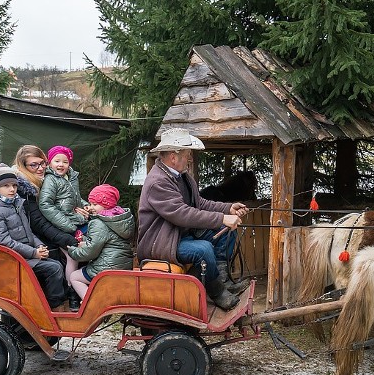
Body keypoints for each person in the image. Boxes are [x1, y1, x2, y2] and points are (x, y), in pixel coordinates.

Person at [137, 128, 249, 310]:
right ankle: (218, 293)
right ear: (174, 157)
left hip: (179, 237)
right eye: (188, 154)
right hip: (160, 243)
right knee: (204, 249)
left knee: (225, 234)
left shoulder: (181, 177)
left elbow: (199, 203)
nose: (190, 158)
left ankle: (223, 281)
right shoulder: (158, 182)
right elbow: (182, 214)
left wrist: (227, 208)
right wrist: (222, 218)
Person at [0, 164, 66, 309]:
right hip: (9, 260)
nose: (12, 189)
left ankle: (49, 302)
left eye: (14, 185)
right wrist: (33, 252)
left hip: (22, 255)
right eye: (6, 186)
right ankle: (53, 307)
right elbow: (4, 242)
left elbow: (29, 232)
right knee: (54, 268)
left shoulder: (14, 204)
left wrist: (39, 246)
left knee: (56, 259)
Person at [12, 145, 80, 309]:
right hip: (32, 237)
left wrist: (75, 210)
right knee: (71, 251)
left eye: (42, 163)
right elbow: (37, 221)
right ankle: (64, 299)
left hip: (48, 229)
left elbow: (59, 204)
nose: (40, 168)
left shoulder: (45, 181)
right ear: (23, 166)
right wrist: (64, 236)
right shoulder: (24, 188)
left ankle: (77, 292)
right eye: (34, 165)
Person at [38, 145, 89, 309]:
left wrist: (88, 208)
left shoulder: (71, 177)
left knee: (88, 247)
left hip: (73, 220)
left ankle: (83, 283)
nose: (61, 165)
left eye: (65, 161)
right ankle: (72, 293)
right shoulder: (51, 179)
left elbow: (76, 201)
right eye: (57, 161)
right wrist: (68, 225)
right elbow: (46, 205)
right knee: (72, 256)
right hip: (61, 225)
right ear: (50, 162)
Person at [66, 184, 135, 301]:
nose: (91, 207)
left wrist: (73, 251)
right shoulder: (120, 219)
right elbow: (109, 242)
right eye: (90, 203)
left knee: (75, 277)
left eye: (95, 204)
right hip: (122, 265)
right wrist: (85, 241)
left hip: (106, 268)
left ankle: (93, 304)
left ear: (106, 204)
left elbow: (90, 252)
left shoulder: (99, 223)